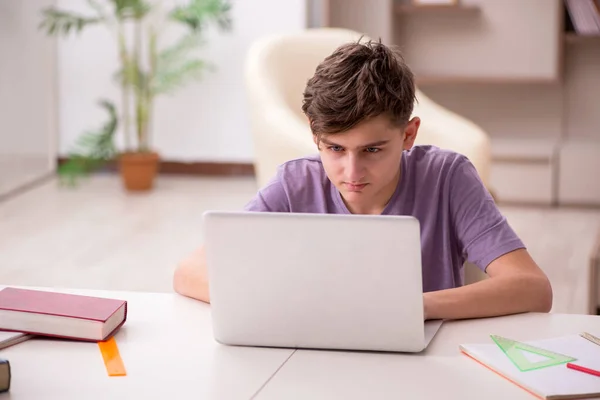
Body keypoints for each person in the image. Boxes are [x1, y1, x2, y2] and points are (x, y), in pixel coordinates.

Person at [173, 39, 553, 320]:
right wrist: (280, 303)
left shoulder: (447, 177)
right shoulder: (294, 184)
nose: (351, 174)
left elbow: (533, 288)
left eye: (372, 150)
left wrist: (412, 308)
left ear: (408, 134)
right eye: (335, 149)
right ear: (314, 135)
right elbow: (189, 272)